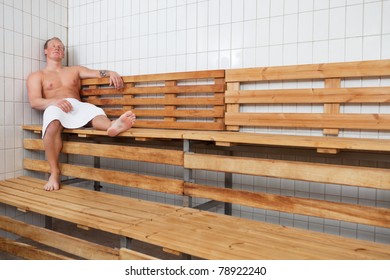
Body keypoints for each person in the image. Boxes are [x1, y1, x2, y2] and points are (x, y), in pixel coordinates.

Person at [27, 37, 136, 191]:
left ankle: (113, 125)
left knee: (94, 112)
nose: (57, 48)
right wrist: (54, 102)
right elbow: (35, 102)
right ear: (45, 51)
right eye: (53, 45)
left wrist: (111, 72)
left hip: (76, 105)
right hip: (55, 106)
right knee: (52, 125)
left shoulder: (74, 70)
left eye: (60, 47)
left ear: (64, 53)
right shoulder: (37, 75)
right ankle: (54, 172)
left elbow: (96, 73)